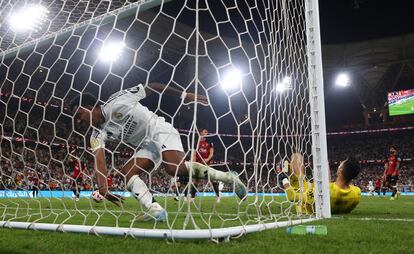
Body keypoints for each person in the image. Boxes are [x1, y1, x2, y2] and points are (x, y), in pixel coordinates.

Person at [69, 83, 247, 221]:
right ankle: (155, 210)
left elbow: (153, 86)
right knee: (127, 173)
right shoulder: (96, 135)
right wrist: (103, 189)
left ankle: (228, 178)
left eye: (78, 115)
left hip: (159, 129)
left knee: (173, 169)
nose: (78, 122)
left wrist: (184, 95)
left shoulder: (118, 101)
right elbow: (99, 160)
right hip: (148, 145)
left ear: (90, 106)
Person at [283, 153, 361, 214]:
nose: (339, 165)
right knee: (324, 160)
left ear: (340, 170)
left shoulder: (322, 192)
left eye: (340, 165)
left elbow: (292, 197)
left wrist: (283, 180)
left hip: (307, 204)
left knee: (296, 156)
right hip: (328, 196)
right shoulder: (356, 193)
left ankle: (285, 173)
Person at [182, 128, 221, 202]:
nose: (207, 133)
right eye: (205, 131)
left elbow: (211, 153)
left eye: (207, 132)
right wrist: (193, 162)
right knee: (196, 180)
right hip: (198, 163)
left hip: (207, 163)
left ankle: (218, 196)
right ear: (200, 133)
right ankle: (192, 198)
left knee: (212, 180)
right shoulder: (196, 142)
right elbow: (194, 153)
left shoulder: (209, 142)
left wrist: (207, 159)